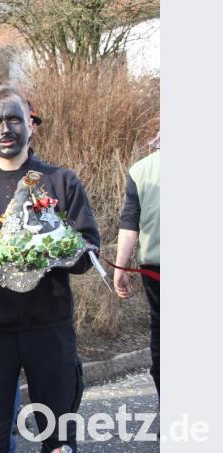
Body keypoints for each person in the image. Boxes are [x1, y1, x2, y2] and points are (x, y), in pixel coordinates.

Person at [0, 85, 100, 453]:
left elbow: (87, 253)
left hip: (49, 329)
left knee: (60, 436)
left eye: (14, 118)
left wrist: (54, 244)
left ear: (31, 124)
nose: (5, 128)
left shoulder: (62, 181)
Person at [114, 132, 160, 394]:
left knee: (161, 333)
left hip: (155, 268)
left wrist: (120, 268)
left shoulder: (141, 169)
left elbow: (130, 222)